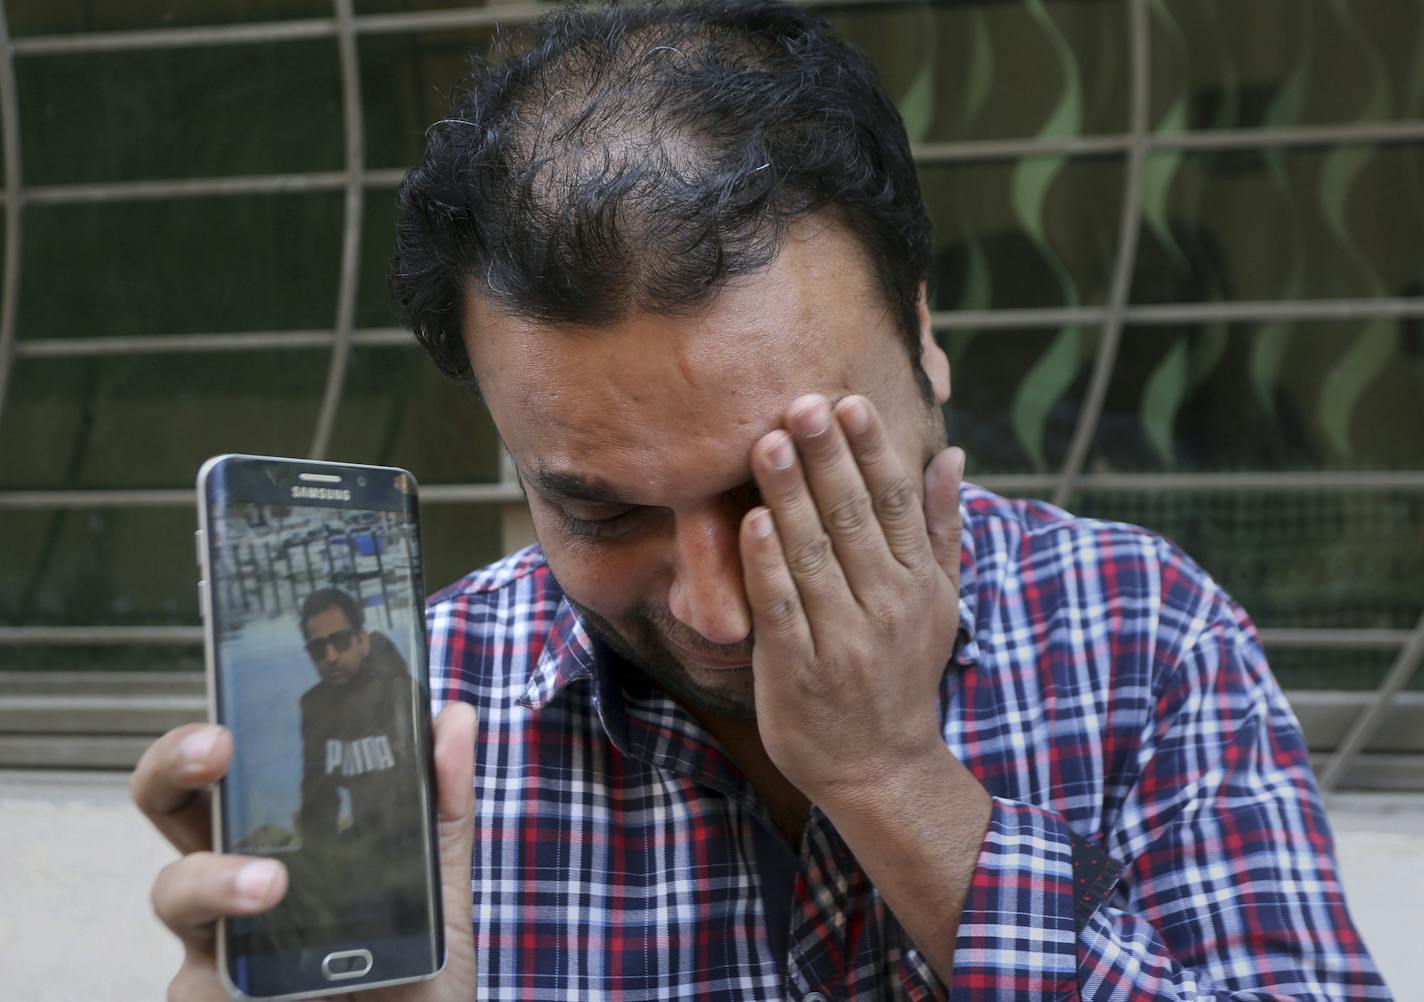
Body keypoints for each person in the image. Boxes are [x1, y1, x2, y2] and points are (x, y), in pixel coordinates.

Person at [133, 1, 1390, 998]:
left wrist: (897, 781)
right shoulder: (428, 712)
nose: (718, 610)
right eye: (601, 514)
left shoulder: (1141, 635)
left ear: (922, 341)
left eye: (777, 485)